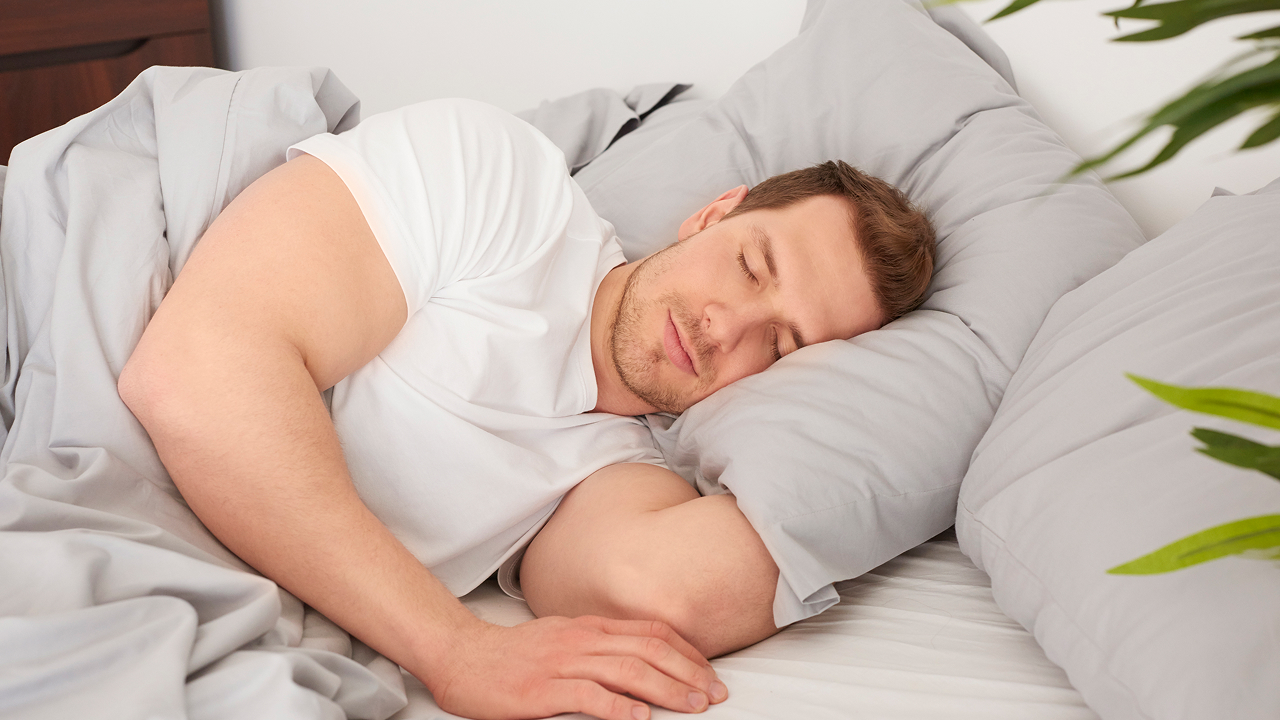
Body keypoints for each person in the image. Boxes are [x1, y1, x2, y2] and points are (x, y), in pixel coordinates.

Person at [118, 99, 934, 720]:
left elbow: (670, 592)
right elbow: (191, 372)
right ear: (715, 212)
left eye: (784, 346)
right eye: (753, 266)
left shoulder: (617, 474)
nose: (728, 328)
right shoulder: (506, 187)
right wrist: (453, 647)